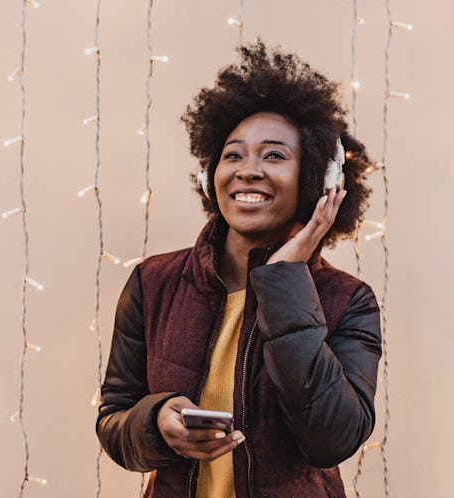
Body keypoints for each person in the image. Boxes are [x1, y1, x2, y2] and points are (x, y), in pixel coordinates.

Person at [96, 41, 382, 498]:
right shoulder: (153, 284)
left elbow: (333, 438)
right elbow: (113, 420)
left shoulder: (348, 300)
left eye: (273, 156)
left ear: (317, 181)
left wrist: (287, 279)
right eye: (233, 155)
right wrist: (156, 422)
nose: (247, 170)